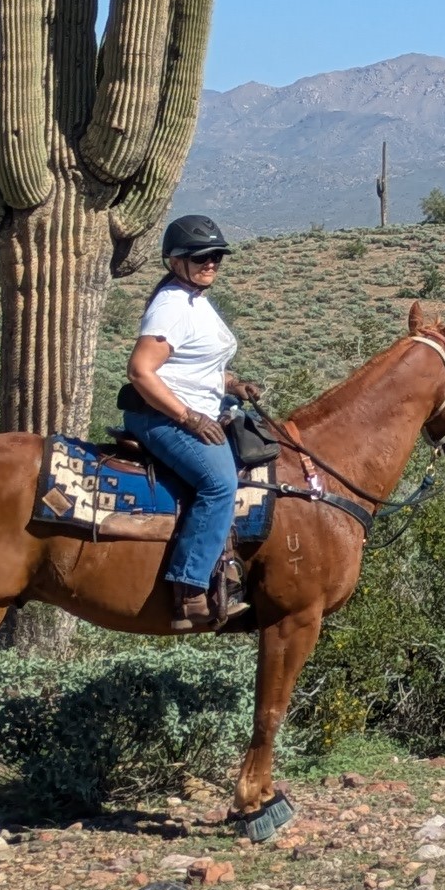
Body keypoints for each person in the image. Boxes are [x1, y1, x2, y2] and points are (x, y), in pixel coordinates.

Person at [123, 214, 260, 630]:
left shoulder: (194, 299)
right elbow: (141, 370)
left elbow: (190, 366)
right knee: (220, 484)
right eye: (200, 256)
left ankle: (229, 565)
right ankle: (189, 590)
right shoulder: (171, 307)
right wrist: (189, 417)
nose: (211, 263)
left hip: (193, 408)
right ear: (174, 261)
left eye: (216, 256)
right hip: (161, 416)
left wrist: (232, 382)